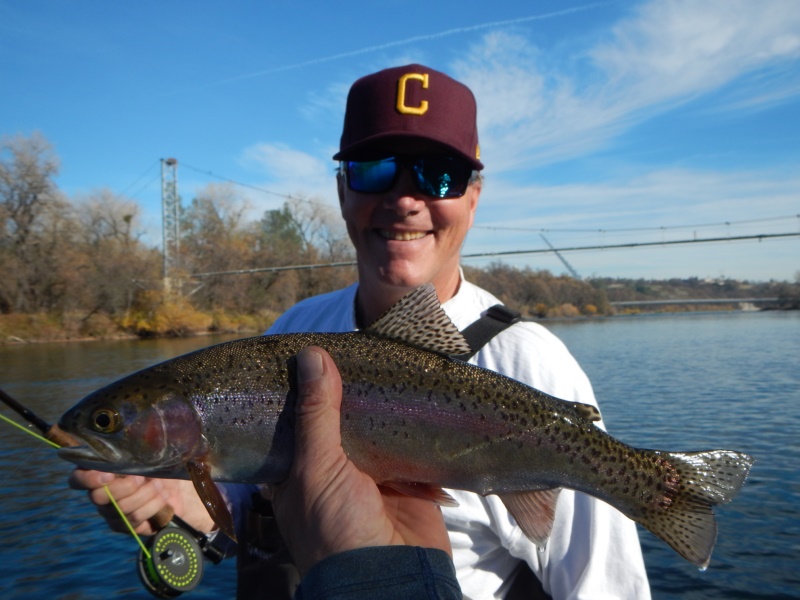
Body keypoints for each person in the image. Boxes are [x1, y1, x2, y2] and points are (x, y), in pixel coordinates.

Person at [70, 64, 651, 599]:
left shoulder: (532, 363)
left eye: (439, 175)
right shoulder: (297, 329)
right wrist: (194, 501)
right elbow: (246, 495)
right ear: (343, 190)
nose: (403, 199)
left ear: (474, 196)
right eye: (374, 170)